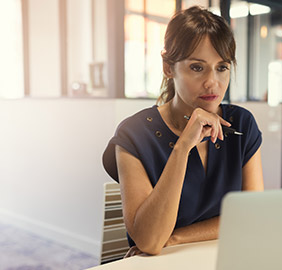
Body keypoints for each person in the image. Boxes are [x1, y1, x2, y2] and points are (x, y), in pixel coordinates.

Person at [102, 6, 264, 256]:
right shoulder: (134, 135)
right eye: (197, 68)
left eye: (222, 67)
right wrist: (182, 147)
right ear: (168, 67)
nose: (213, 83)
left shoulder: (241, 125)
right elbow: (149, 241)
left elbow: (252, 216)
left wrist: (176, 237)